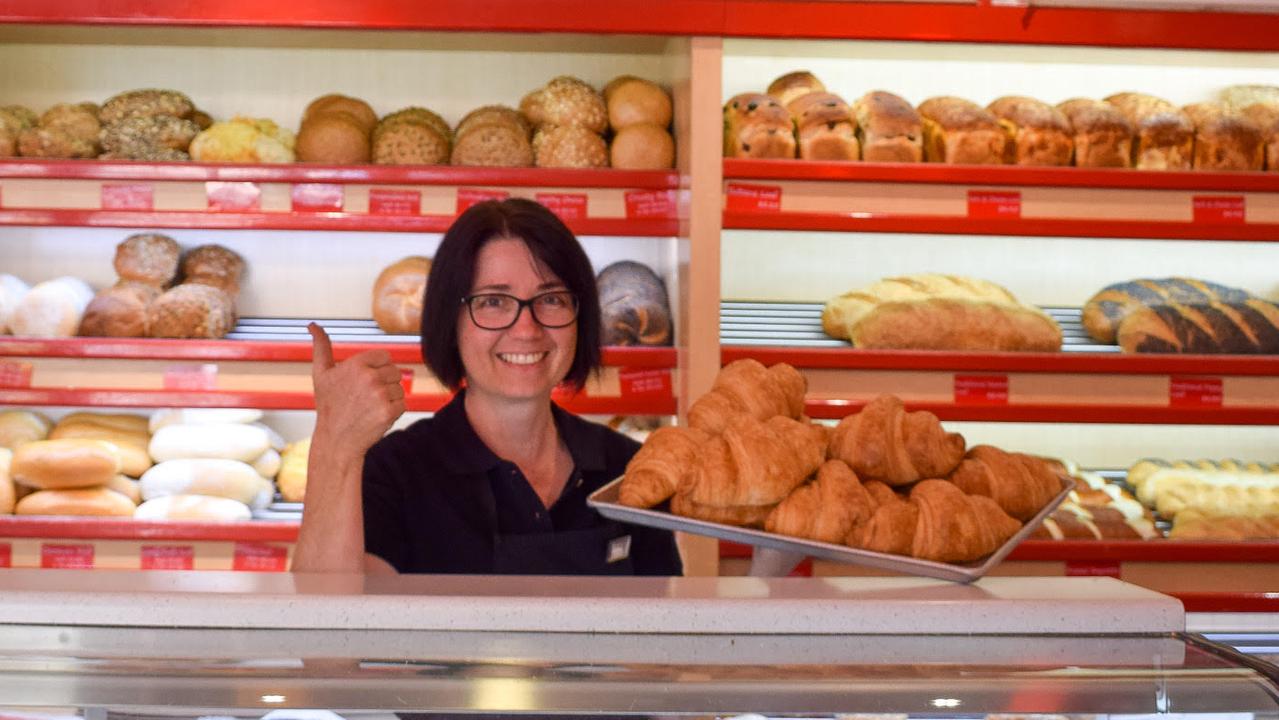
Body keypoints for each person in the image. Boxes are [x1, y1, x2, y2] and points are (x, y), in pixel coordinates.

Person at [292, 198, 682, 576]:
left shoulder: (629, 471)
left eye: (551, 299)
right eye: (494, 301)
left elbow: (669, 632)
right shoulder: (395, 475)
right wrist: (335, 446)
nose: (527, 329)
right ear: (451, 320)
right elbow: (327, 624)